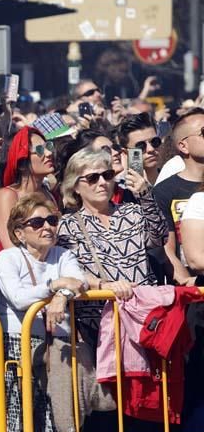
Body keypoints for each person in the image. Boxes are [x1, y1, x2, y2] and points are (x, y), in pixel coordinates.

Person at [0, 193, 86, 432]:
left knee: (55, 422)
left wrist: (60, 296)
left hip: (57, 344)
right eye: (36, 222)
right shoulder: (8, 258)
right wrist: (54, 286)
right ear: (19, 232)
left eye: (52, 220)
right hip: (16, 344)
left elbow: (77, 281)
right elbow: (19, 299)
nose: (47, 227)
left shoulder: (63, 254)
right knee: (18, 423)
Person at [57, 148, 167, 345]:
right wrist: (104, 286)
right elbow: (69, 271)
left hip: (145, 320)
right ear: (75, 186)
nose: (102, 182)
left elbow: (159, 239)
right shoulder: (67, 225)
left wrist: (145, 194)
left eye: (107, 175)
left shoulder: (132, 212)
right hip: (100, 326)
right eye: (92, 178)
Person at [0, 127, 56, 263]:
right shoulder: (6, 196)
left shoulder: (48, 194)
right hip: (14, 275)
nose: (49, 153)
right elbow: (12, 249)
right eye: (40, 150)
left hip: (48, 267)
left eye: (48, 146)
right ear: (22, 164)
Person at [153, 108, 204, 286]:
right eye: (203, 132)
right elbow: (167, 248)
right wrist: (186, 283)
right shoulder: (164, 191)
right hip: (193, 290)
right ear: (183, 146)